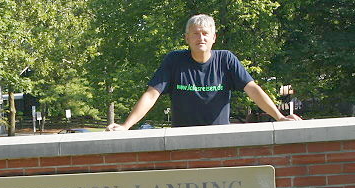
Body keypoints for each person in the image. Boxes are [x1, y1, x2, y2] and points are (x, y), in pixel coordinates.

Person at [106, 14, 301, 130]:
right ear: (187, 38)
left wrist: (280, 117)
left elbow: (253, 89)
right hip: (182, 139)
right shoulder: (174, 60)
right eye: (195, 33)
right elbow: (151, 94)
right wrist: (125, 126)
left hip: (219, 139)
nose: (201, 38)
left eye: (205, 33)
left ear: (214, 37)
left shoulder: (226, 59)